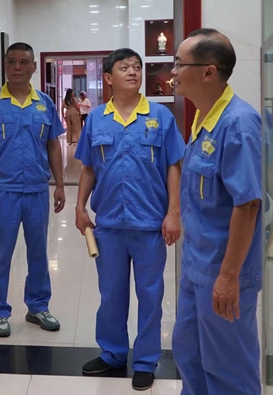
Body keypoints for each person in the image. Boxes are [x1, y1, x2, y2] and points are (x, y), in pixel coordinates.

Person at [74, 48, 185, 392]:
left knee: (150, 295)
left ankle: (146, 360)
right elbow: (88, 168)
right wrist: (80, 207)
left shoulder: (160, 116)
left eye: (137, 67)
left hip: (149, 223)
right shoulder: (97, 119)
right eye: (124, 68)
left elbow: (174, 166)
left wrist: (174, 212)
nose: (133, 72)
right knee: (111, 294)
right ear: (108, 78)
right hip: (108, 224)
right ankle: (112, 353)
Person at [170, 29, 263, 395]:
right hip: (197, 266)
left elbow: (247, 204)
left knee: (228, 370)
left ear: (208, 72)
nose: (173, 72)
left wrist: (227, 277)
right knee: (190, 355)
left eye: (179, 64)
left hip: (223, 271)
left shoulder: (238, 123)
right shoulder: (204, 119)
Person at [0, 42, 66, 337]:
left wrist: (60, 184)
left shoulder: (44, 103)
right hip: (3, 191)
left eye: (24, 62)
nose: (18, 67)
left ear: (34, 67)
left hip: (36, 190)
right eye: (12, 62)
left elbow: (53, 145)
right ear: (5, 66)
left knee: (39, 252)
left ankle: (38, 306)